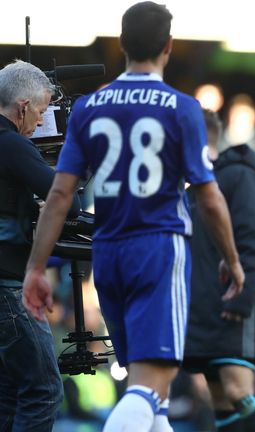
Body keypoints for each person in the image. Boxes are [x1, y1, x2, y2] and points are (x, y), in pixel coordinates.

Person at [21, 2, 244, 432]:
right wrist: (233, 260)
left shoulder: (88, 108)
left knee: (151, 398)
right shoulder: (182, 108)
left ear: (121, 44)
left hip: (107, 254)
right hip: (158, 249)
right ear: (169, 46)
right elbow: (210, 197)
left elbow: (62, 191)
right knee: (148, 386)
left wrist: (36, 266)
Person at [0, 59, 81, 432]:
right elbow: (69, 200)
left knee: (8, 396)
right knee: (44, 391)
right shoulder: (13, 145)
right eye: (42, 112)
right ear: (23, 107)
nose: (40, 124)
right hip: (9, 286)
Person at [184, 108, 255, 431]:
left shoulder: (239, 175)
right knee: (220, 398)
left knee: (237, 390)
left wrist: (242, 297)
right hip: (205, 308)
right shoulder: (191, 184)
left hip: (234, 306)